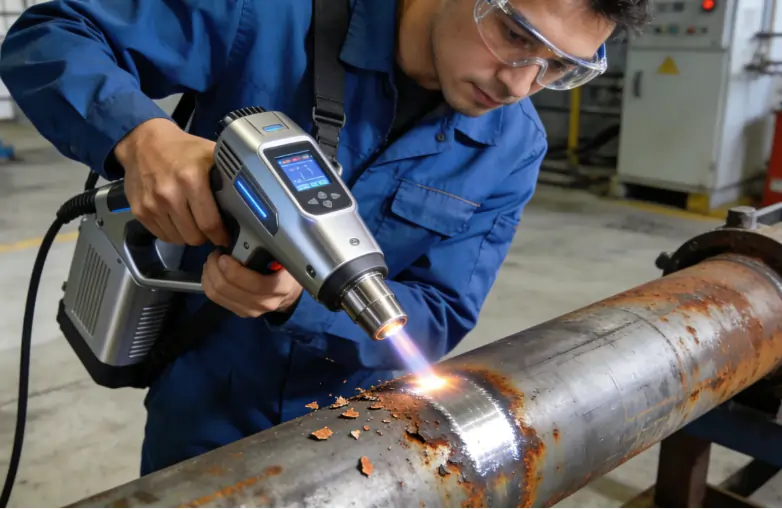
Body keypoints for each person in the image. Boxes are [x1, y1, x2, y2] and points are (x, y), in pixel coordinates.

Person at [0, 0, 650, 475]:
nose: (519, 83)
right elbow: (50, 35)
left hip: (362, 436)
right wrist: (143, 138)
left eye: (558, 67)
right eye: (514, 34)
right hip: (207, 410)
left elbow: (440, 313)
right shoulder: (271, 17)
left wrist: (294, 301)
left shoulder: (513, 144)